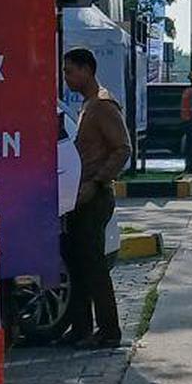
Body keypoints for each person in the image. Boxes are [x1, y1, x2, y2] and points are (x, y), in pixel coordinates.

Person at [60, 47, 130, 348]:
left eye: (70, 71)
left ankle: (109, 330)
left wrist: (98, 180)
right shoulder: (88, 104)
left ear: (86, 70)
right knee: (77, 264)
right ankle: (80, 328)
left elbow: (122, 149)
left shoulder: (102, 105)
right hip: (79, 195)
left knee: (94, 266)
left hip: (94, 195)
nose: (66, 78)